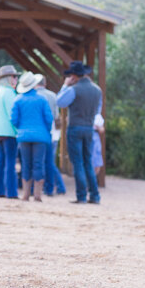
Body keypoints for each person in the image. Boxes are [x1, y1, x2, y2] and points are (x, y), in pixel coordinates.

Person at [57, 61, 103, 204]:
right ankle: (94, 195)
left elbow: (60, 102)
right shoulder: (97, 90)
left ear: (74, 76)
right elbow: (97, 111)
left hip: (75, 127)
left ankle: (81, 195)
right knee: (88, 162)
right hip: (89, 128)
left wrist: (65, 85)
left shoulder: (73, 89)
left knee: (77, 163)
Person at [11, 72, 53, 202]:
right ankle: (37, 195)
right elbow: (49, 118)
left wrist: (21, 128)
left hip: (23, 136)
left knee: (26, 164)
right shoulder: (42, 99)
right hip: (40, 136)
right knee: (38, 164)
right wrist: (46, 130)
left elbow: (13, 119)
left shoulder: (18, 99)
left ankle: (25, 194)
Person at [0, 65, 19, 199]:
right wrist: (18, 131)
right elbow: (12, 115)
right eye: (14, 76)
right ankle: (11, 192)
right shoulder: (9, 92)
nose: (16, 79)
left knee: (0, 161)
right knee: (10, 163)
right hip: (8, 131)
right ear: (9, 78)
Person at [35, 75, 66, 197]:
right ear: (45, 83)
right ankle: (57, 186)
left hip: (39, 131)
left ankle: (40, 187)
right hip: (52, 132)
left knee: (38, 161)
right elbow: (56, 116)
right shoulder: (53, 95)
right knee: (50, 161)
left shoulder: (33, 96)